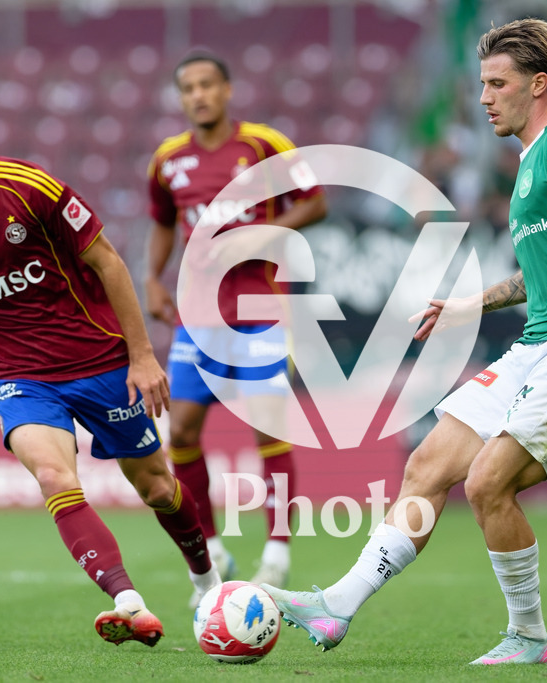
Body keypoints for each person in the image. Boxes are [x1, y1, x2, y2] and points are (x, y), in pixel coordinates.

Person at [263, 18, 547, 666]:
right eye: (482, 84)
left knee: (487, 482)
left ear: (539, 84)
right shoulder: (530, 162)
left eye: (498, 83)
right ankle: (338, 604)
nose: (485, 97)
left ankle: (529, 636)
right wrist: (475, 301)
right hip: (537, 343)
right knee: (429, 465)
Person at [0, 76, 222, 647]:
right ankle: (129, 602)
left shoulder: (31, 188)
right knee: (53, 475)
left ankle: (206, 578)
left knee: (156, 488)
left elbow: (109, 263)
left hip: (98, 361)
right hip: (18, 376)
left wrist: (142, 356)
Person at [145, 52, 327, 604]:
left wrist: (263, 234)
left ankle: (278, 551)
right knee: (180, 434)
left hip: (259, 311)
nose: (198, 95)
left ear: (226, 89)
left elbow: (315, 203)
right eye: (188, 88)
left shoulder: (265, 145)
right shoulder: (167, 161)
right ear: (181, 97)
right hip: (195, 316)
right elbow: (161, 223)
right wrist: (151, 278)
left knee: (268, 429)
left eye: (207, 84)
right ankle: (211, 547)